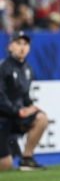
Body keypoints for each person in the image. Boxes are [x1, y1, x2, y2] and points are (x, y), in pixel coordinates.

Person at [0, 31, 49, 171]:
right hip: (3, 119)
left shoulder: (27, 68)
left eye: (25, 44)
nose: (22, 47)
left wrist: (30, 107)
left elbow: (24, 95)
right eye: (18, 43)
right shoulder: (3, 68)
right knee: (5, 166)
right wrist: (19, 111)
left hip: (15, 117)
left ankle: (26, 158)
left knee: (41, 118)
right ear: (10, 47)